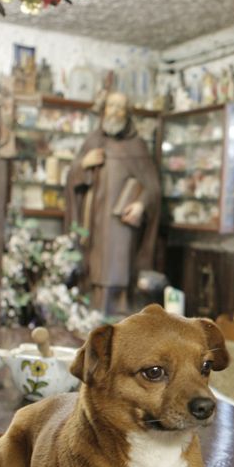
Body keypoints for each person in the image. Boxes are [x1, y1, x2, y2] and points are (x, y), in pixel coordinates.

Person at [65, 90, 162, 316]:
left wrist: (140, 205)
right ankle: (94, 312)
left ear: (127, 114)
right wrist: (84, 165)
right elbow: (72, 179)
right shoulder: (93, 140)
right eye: (111, 106)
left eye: (121, 107)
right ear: (104, 110)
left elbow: (153, 187)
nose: (115, 112)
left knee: (119, 269)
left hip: (123, 223)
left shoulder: (137, 145)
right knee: (94, 267)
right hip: (94, 220)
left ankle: (118, 312)